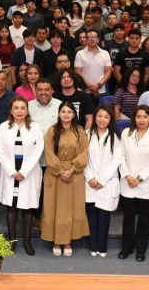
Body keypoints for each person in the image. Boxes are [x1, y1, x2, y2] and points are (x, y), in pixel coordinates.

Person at [0, 96, 43, 255]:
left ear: (27, 110)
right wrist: (11, 171)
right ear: (11, 110)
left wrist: (24, 171)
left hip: (28, 173)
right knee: (11, 207)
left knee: (27, 208)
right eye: (16, 108)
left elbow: (38, 151)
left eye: (23, 108)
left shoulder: (35, 127)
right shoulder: (3, 127)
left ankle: (28, 241)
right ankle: (12, 241)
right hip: (10, 172)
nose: (19, 111)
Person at [41, 101, 89, 257]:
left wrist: (72, 170)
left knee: (71, 208)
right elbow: (48, 152)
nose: (66, 114)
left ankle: (68, 241)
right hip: (55, 174)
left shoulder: (80, 131)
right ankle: (56, 240)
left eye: (69, 112)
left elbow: (84, 152)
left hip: (75, 174)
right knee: (53, 207)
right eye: (63, 112)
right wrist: (61, 171)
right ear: (59, 113)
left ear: (74, 114)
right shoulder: (51, 131)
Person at [118, 105, 149, 262]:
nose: (141, 120)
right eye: (138, 117)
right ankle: (126, 248)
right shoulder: (126, 133)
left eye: (145, 116)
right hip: (128, 182)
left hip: (146, 183)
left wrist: (139, 178)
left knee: (144, 218)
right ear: (134, 118)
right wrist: (128, 176)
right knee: (128, 217)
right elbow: (121, 156)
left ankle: (141, 250)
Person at [84, 105, 122, 258]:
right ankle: (93, 244)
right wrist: (91, 177)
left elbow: (117, 160)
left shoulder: (115, 137)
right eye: (99, 116)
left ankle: (102, 246)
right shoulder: (87, 134)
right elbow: (83, 159)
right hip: (90, 181)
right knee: (92, 214)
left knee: (104, 216)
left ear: (110, 119)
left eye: (106, 117)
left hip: (107, 182)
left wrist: (103, 179)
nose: (102, 120)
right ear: (95, 117)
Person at [75, 30, 113, 100]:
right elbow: (78, 72)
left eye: (94, 37)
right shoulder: (80, 54)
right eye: (89, 37)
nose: (92, 39)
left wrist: (98, 86)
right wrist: (91, 87)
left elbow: (108, 72)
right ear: (86, 39)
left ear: (98, 39)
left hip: (101, 90)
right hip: (85, 91)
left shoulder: (105, 53)